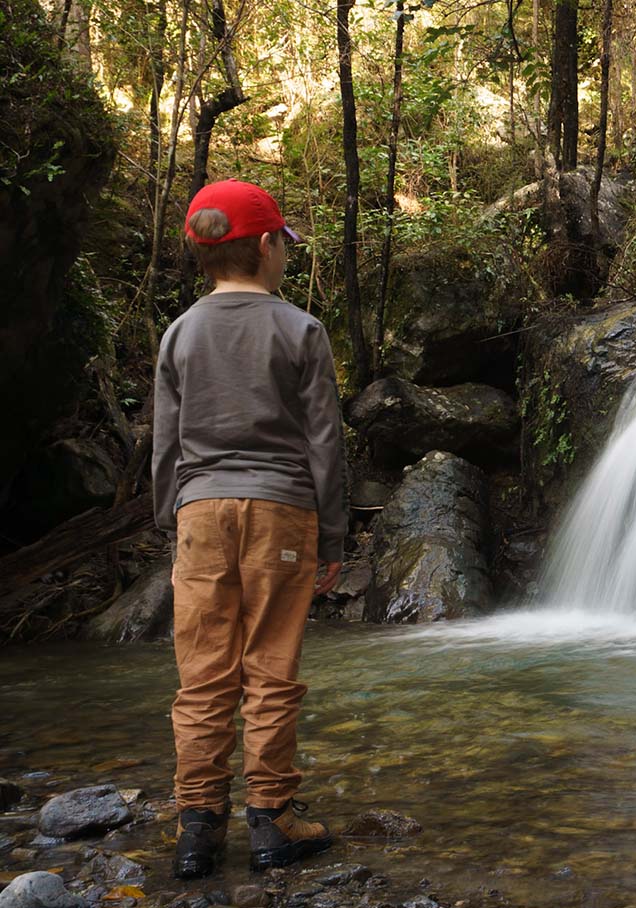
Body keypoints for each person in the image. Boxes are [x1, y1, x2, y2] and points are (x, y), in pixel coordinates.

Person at [152, 179, 348, 878]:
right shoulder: (300, 330)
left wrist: (169, 526)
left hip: (200, 511)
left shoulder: (179, 333)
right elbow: (325, 441)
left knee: (202, 675)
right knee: (270, 669)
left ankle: (197, 830)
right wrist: (334, 538)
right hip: (282, 512)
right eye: (282, 245)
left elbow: (166, 445)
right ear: (267, 246)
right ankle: (272, 821)